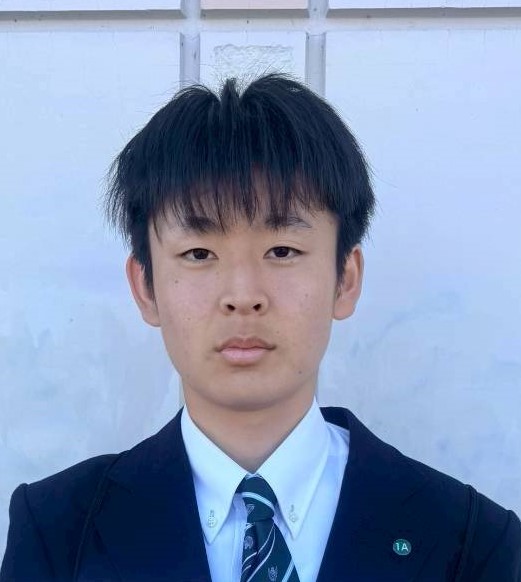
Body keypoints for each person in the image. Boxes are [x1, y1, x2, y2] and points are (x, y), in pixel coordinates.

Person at [1, 73, 520, 582]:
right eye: (199, 253)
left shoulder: (471, 542)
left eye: (283, 250)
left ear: (345, 278)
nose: (243, 295)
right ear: (146, 287)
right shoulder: (57, 533)